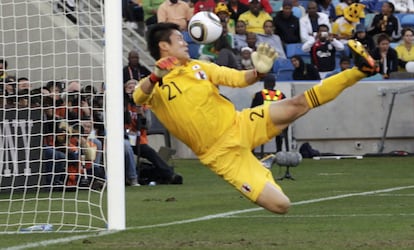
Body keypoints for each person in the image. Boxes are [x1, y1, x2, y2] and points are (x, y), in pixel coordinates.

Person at [132, 22, 379, 214]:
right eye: (179, 40)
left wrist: (258, 71)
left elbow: (239, 79)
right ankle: (262, 166)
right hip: (222, 154)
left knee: (297, 104)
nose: (185, 43)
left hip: (241, 123)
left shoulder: (199, 66)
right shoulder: (154, 83)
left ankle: (360, 70)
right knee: (281, 205)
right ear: (164, 46)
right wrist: (156, 76)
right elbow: (137, 97)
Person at [251, 74, 288, 153]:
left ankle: (252, 152)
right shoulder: (281, 95)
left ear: (264, 84)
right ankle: (279, 151)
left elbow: (252, 111)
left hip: (262, 125)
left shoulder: (259, 95)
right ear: (274, 84)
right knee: (279, 130)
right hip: (278, 125)